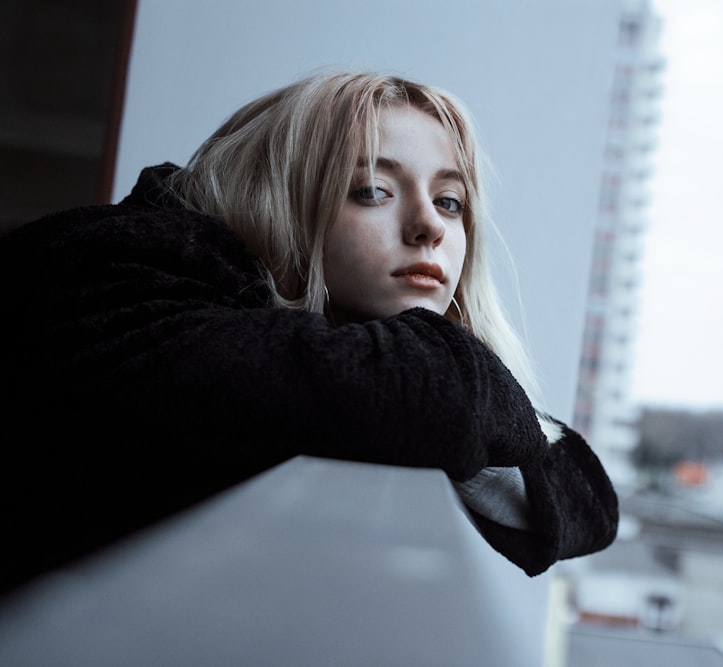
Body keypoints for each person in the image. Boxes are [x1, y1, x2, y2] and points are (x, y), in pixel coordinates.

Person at [0, 70, 618, 594]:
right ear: (274, 195)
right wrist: (466, 400)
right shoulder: (110, 267)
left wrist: (476, 408)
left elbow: (582, 501)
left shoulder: (322, 335)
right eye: (373, 190)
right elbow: (440, 397)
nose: (429, 226)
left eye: (451, 201)